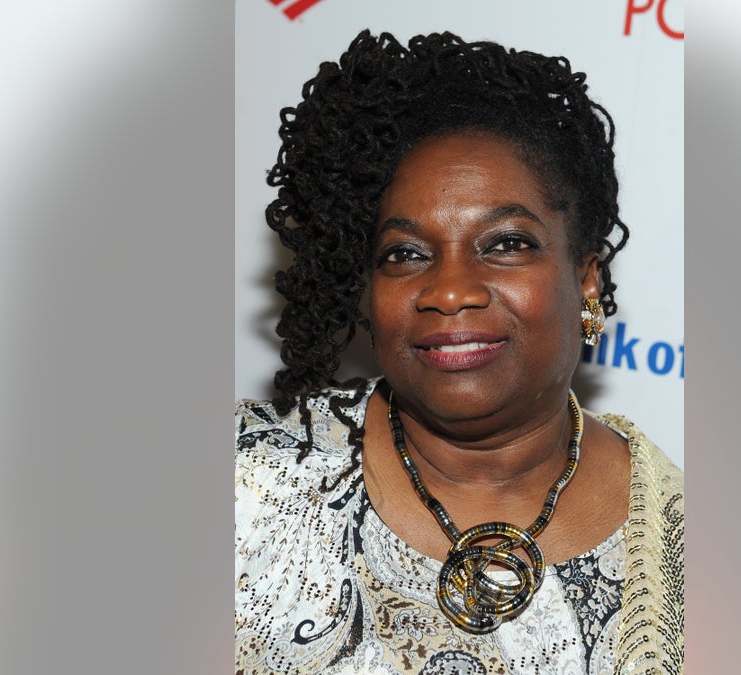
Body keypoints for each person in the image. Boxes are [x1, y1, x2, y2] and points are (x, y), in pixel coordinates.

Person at [236, 30, 683, 674]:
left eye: (505, 243)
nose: (447, 291)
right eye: (406, 254)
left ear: (586, 281)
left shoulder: (699, 556)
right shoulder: (241, 489)